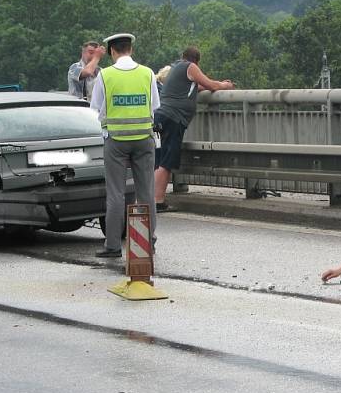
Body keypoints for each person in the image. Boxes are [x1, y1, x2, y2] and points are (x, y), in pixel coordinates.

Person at [89, 33, 160, 258]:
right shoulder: (148, 73)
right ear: (131, 49)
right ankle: (149, 240)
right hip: (143, 140)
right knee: (146, 191)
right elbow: (154, 106)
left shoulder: (105, 75)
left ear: (112, 51)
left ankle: (112, 246)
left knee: (116, 194)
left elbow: (96, 108)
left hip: (116, 141)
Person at [154, 46, 235, 211]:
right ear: (197, 61)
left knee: (159, 160)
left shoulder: (176, 69)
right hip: (173, 118)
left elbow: (197, 87)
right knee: (166, 162)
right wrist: (226, 85)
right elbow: (211, 85)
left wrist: (210, 85)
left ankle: (152, 199)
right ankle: (157, 201)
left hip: (162, 116)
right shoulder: (189, 67)